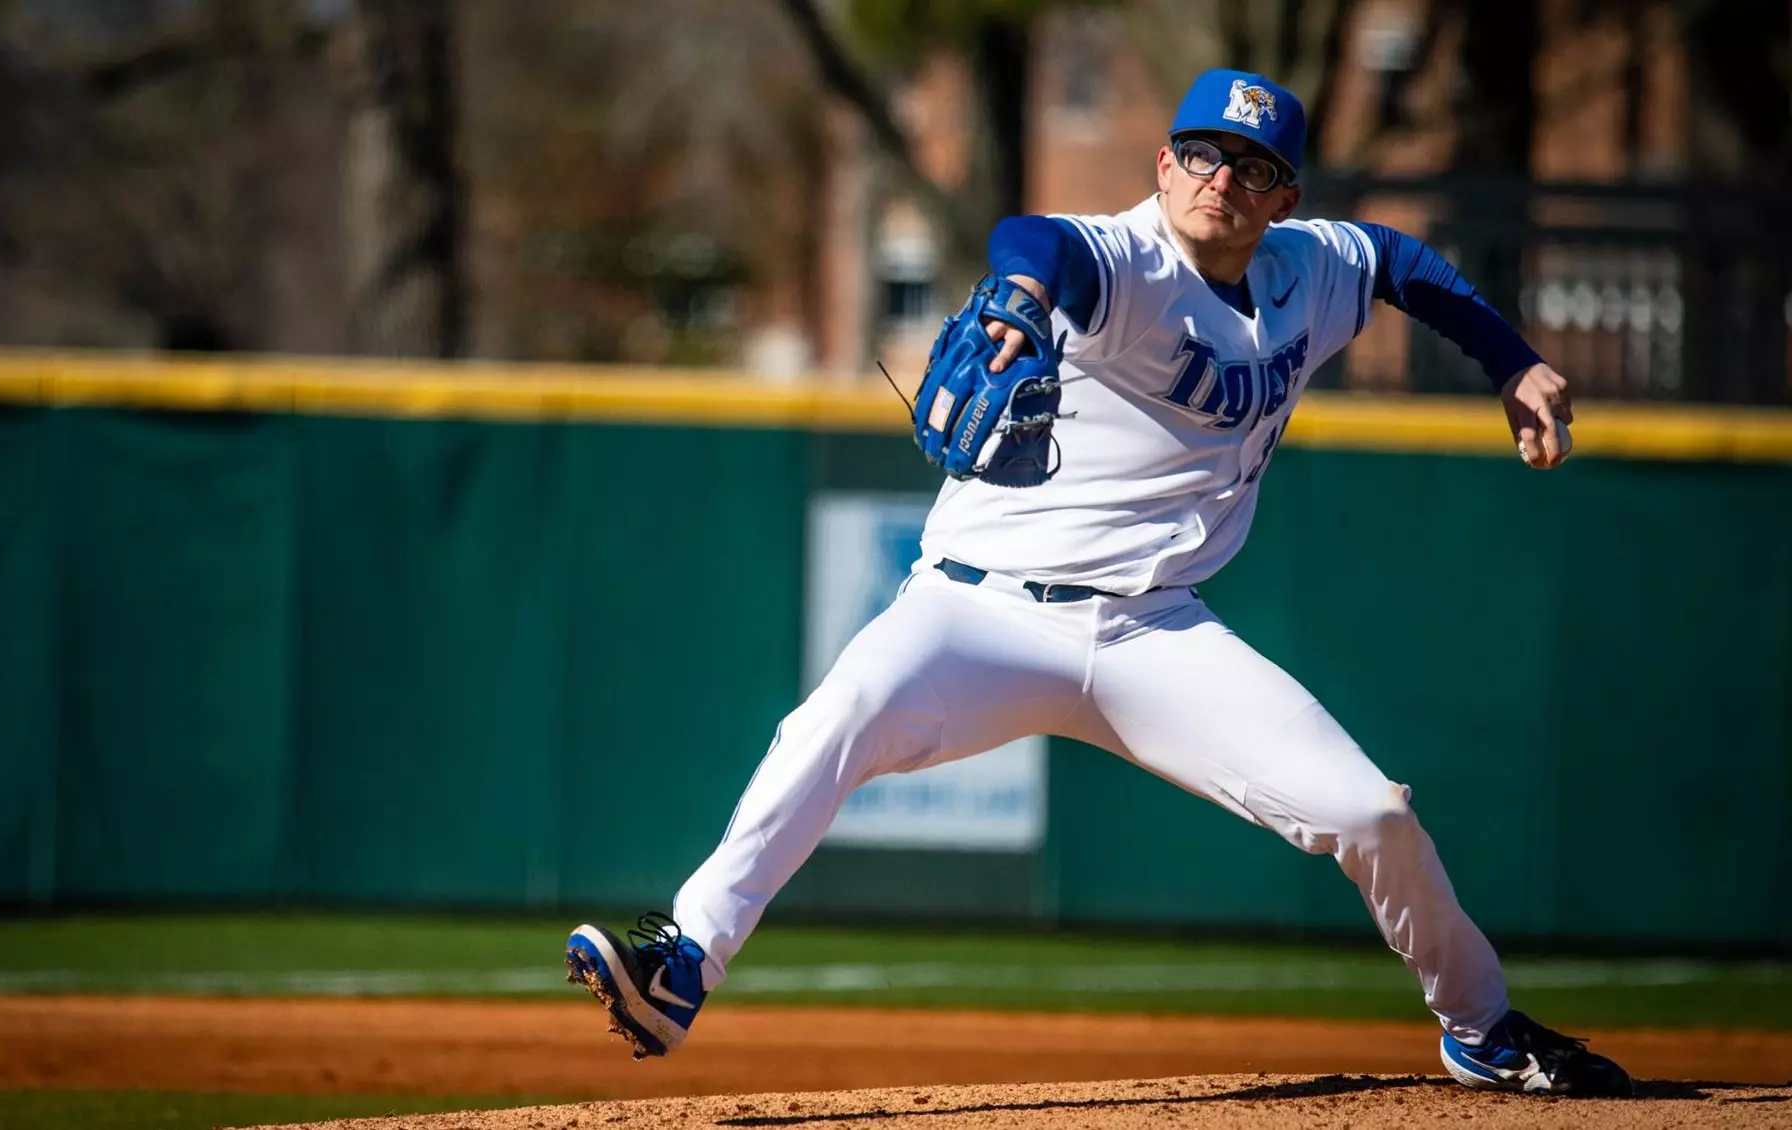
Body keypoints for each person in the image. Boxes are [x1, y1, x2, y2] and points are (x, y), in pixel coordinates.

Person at [564, 68, 1630, 1097]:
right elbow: (1036, 243)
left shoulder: (1310, 269)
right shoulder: (1128, 258)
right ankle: (681, 964)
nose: (1223, 180)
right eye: (1204, 154)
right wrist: (1020, 298)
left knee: (1369, 813)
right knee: (829, 720)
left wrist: (1509, 359)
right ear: (1163, 164)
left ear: (1282, 200)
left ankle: (1480, 1024)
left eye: (1253, 168)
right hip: (974, 611)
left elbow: (1400, 261)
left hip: (1154, 634)